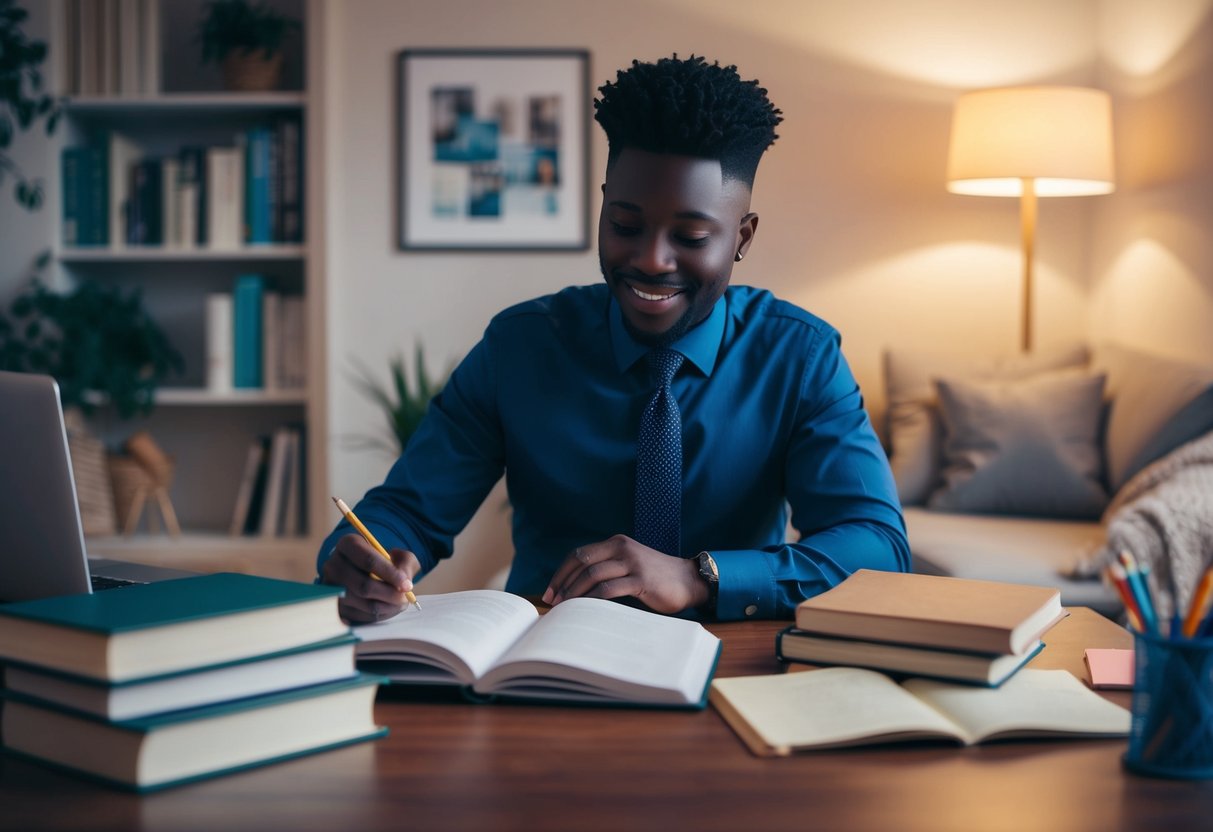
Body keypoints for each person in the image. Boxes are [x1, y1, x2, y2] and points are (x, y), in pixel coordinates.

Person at [318, 54, 909, 624]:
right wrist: (361, 556)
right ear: (603, 210)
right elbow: (407, 509)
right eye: (626, 226)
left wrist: (700, 577)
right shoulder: (519, 348)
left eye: (691, 236)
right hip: (542, 663)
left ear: (742, 237)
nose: (651, 259)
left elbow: (878, 546)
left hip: (732, 660)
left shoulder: (800, 358)